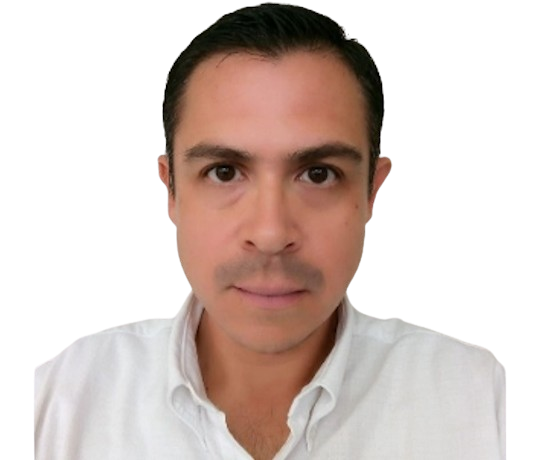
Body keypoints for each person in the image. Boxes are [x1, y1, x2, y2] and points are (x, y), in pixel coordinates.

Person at [33, 3, 507, 459]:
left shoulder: (482, 398)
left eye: (319, 174)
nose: (271, 233)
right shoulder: (59, 398)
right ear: (171, 189)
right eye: (223, 172)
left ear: (372, 192)